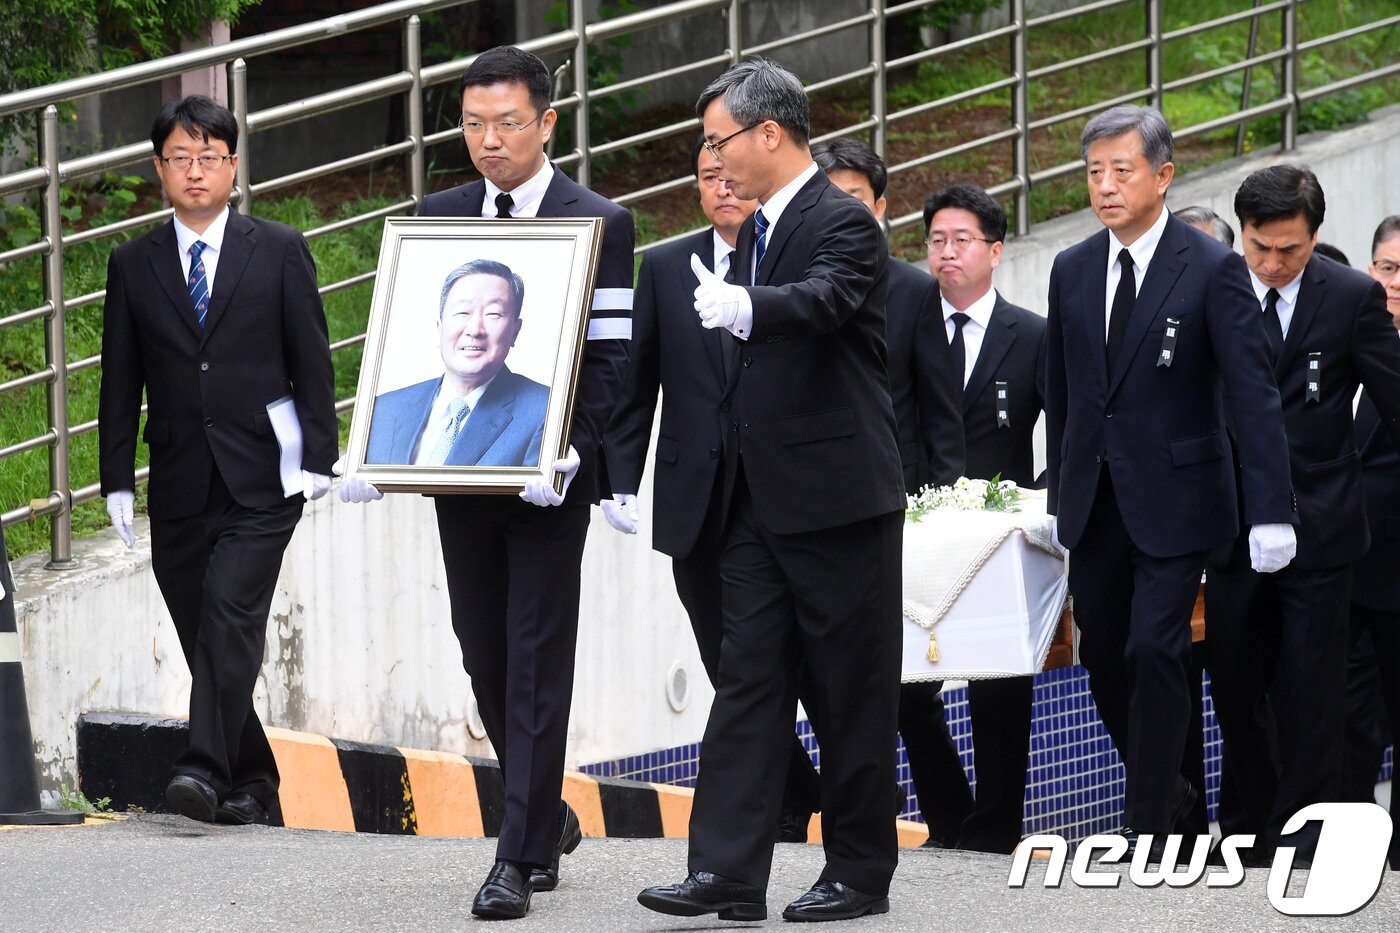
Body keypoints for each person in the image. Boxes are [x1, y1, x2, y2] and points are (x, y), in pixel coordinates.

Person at [340, 46, 633, 920]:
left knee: (537, 654)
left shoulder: (600, 220)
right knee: (483, 648)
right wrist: (374, 446)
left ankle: (514, 858)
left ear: (547, 122)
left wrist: (574, 451)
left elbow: (614, 358)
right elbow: (406, 341)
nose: (489, 141)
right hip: (461, 477)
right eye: (472, 124)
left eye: (507, 123)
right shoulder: (441, 215)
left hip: (549, 484)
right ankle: (542, 809)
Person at [638, 58, 905, 923]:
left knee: (848, 689)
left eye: (720, 140)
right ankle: (726, 872)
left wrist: (747, 306)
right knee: (748, 682)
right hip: (752, 504)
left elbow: (824, 300)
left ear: (768, 134)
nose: (713, 159)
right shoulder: (752, 229)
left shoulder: (842, 218)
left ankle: (860, 871)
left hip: (835, 499)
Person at [1043, 105, 1296, 863]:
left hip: (1182, 500)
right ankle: (1174, 793)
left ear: (1163, 175)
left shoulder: (1213, 266)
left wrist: (1271, 509)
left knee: (1157, 648)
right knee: (1103, 656)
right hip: (1096, 500)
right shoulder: (1073, 267)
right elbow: (1064, 392)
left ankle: (1147, 817)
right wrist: (1060, 495)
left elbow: (1253, 395)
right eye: (1094, 171)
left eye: (1122, 170)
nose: (1106, 185)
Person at [98, 95, 337, 827]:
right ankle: (255, 780)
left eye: (209, 157)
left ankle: (201, 767)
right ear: (159, 169)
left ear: (233, 164)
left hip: (264, 478)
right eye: (180, 158)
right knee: (207, 631)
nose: (195, 171)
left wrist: (321, 457)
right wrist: (114, 480)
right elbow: (119, 378)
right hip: (176, 479)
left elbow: (313, 361)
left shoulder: (279, 248)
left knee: (231, 615)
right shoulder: (133, 264)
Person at [599, 140, 823, 841]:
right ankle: (793, 785)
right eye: (706, 178)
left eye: (732, 175)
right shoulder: (665, 266)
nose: (722, 187)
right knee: (725, 659)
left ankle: (823, 786)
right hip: (696, 500)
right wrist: (620, 480)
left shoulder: (786, 259)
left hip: (780, 495)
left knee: (798, 659)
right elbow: (639, 385)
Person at [1205, 171, 1400, 865]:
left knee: (1313, 690)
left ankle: (1302, 834)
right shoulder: (1215, 286)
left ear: (1314, 236)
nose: (1272, 264)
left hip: (1322, 532)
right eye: (1260, 247)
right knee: (1232, 680)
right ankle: (1253, 819)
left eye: (1288, 250)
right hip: (1233, 529)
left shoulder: (1351, 297)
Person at [809, 138, 973, 850]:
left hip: (898, 513)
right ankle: (864, 800)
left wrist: (941, 509)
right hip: (815, 508)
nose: (839, 212)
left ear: (879, 207)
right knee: (826, 675)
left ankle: (955, 814)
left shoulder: (912, 290)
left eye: (852, 199)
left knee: (910, 691)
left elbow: (941, 415)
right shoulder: (795, 279)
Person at [909, 182, 1046, 854]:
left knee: (999, 688)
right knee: (907, 685)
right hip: (918, 533)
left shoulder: (1034, 335)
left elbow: (1071, 431)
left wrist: (1037, 502)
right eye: (936, 240)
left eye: (962, 240)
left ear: (994, 250)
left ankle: (994, 826)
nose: (947, 253)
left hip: (999, 540)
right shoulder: (903, 326)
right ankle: (949, 813)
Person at [365, 258, 548, 467]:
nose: (474, 330)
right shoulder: (384, 409)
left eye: (493, 314)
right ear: (439, 327)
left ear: (515, 331)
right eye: (462, 312)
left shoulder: (543, 410)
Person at [1346, 214, 1400, 869]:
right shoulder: (1340, 343)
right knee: (1348, 722)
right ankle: (1354, 846)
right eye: (1386, 268)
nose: (1395, 283)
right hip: (1339, 572)